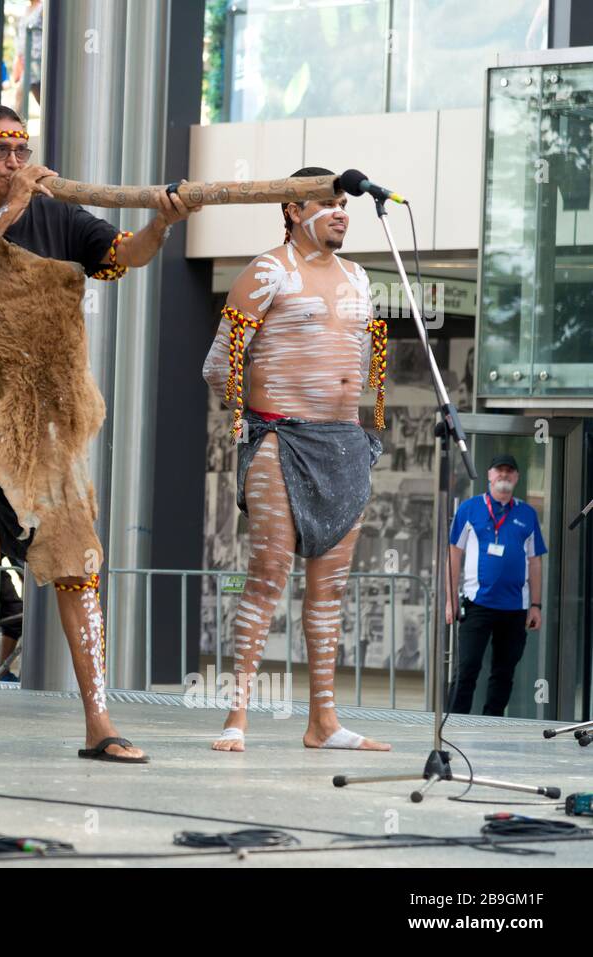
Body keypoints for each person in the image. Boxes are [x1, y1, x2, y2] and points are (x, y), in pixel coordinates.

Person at [0, 104, 190, 761]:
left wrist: (160, 220)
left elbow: (123, 259)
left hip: (46, 411)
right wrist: (9, 212)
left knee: (78, 560)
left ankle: (100, 721)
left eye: (21, 147)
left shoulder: (62, 216)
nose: (14, 160)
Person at [203, 166, 391, 752]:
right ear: (292, 209)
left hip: (345, 443)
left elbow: (364, 362)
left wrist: (353, 426)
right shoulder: (267, 271)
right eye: (327, 202)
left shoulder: (360, 278)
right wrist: (263, 413)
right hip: (280, 439)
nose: (341, 211)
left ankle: (324, 723)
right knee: (267, 578)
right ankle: (236, 717)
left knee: (328, 590)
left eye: (344, 204)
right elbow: (218, 366)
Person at [445, 453, 545, 715]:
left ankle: (493, 724)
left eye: (509, 471)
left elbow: (535, 561)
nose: (504, 475)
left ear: (517, 478)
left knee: (504, 672)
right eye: (499, 471)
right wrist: (450, 599)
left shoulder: (527, 513)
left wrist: (536, 604)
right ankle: (455, 723)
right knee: (466, 668)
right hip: (477, 604)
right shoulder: (470, 508)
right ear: (489, 476)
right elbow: (453, 555)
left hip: (515, 608)